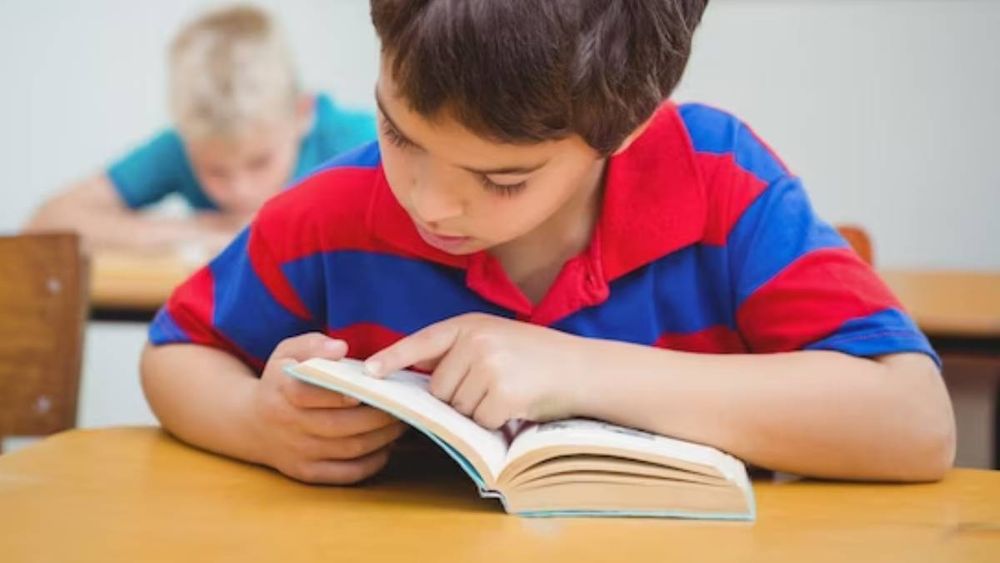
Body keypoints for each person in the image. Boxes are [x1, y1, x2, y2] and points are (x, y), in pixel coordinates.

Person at [140, 0, 955, 486]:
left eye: (501, 179)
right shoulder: (334, 211)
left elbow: (917, 425)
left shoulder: (716, 182)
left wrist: (570, 368)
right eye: (398, 131)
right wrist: (256, 419)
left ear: (627, 125)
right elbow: (175, 351)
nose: (428, 201)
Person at [25, 4, 374, 253]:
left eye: (259, 162)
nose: (240, 189)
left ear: (302, 114)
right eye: (215, 171)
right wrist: (195, 230)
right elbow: (50, 222)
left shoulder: (360, 142)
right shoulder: (185, 143)